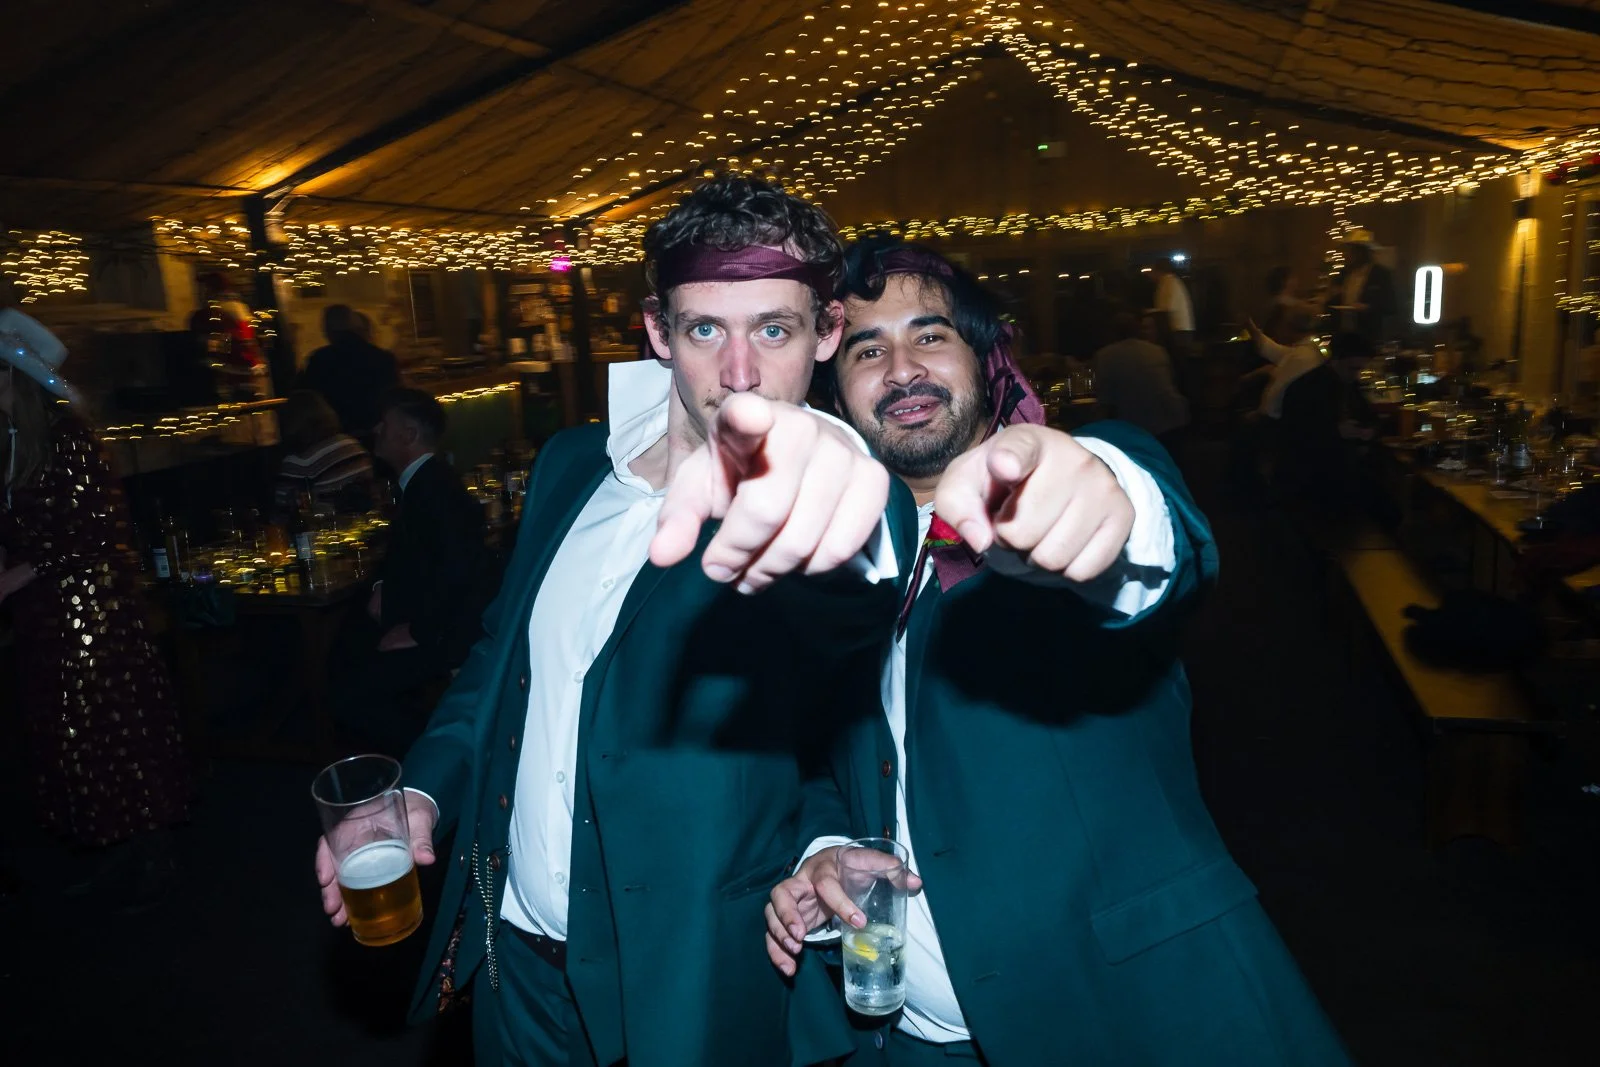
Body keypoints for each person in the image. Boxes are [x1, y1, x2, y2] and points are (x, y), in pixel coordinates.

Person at [314, 176, 906, 1067]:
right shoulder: (568, 466)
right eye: (706, 328)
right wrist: (423, 788)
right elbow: (497, 661)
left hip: (690, 983)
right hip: (514, 966)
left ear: (827, 334)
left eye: (774, 330)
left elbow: (854, 595)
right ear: (659, 332)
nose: (739, 372)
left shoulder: (819, 502)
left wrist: (842, 484)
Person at [768, 242, 1350, 1066]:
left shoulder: (1059, 493)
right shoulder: (841, 571)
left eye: (930, 336)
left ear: (985, 357)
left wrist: (1103, 501)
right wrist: (824, 848)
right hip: (908, 1040)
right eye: (868, 348)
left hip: (1135, 1023)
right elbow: (824, 761)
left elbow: (1152, 538)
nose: (901, 368)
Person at [0, 309, 190, 907]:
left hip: (90, 613)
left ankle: (146, 850)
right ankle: (118, 847)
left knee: (107, 730)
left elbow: (94, 533)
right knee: (70, 736)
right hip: (45, 613)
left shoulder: (66, 437)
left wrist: (18, 574)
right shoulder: (17, 442)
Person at [332, 388, 491, 755]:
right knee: (347, 657)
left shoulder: (433, 490)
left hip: (446, 633)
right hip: (429, 619)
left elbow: (462, 569)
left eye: (384, 425)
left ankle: (437, 761)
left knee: (350, 693)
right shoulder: (423, 483)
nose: (376, 430)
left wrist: (419, 631)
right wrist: (384, 584)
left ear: (408, 435)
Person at [295, 304, 401, 440]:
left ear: (328, 330)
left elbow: (308, 399)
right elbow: (394, 397)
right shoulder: (383, 358)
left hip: (337, 438)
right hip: (378, 434)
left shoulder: (319, 360)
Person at [271, 389, 376, 521]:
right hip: (367, 523)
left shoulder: (299, 461)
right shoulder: (352, 444)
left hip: (328, 529)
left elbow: (283, 513)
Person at [1092, 311, 1189, 448]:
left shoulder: (1104, 356)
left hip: (1135, 427)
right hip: (1171, 422)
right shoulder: (1157, 351)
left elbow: (1105, 400)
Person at [1331, 229, 1397, 344]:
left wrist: (1367, 308)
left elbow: (1391, 306)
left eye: (1352, 251)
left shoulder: (1380, 274)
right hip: (1343, 336)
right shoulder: (1344, 273)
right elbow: (1335, 298)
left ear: (1362, 252)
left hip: (1368, 336)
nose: (1347, 255)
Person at [1149, 258, 1195, 359]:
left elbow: (1167, 308)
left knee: (1177, 362)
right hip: (1179, 331)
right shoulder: (1170, 282)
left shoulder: (1168, 283)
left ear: (1158, 271)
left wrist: (1150, 312)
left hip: (1178, 332)